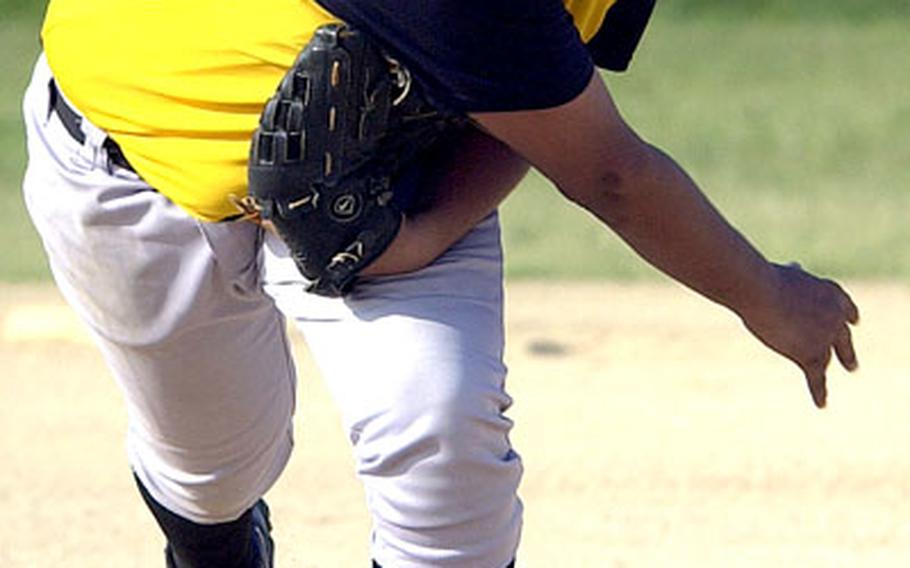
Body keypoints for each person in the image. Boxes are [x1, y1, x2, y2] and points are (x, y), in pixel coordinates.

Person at [21, 0, 859, 566]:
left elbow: (543, 97)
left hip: (392, 172)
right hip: (129, 164)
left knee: (443, 443)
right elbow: (611, 176)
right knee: (215, 464)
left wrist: (422, 237)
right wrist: (769, 294)